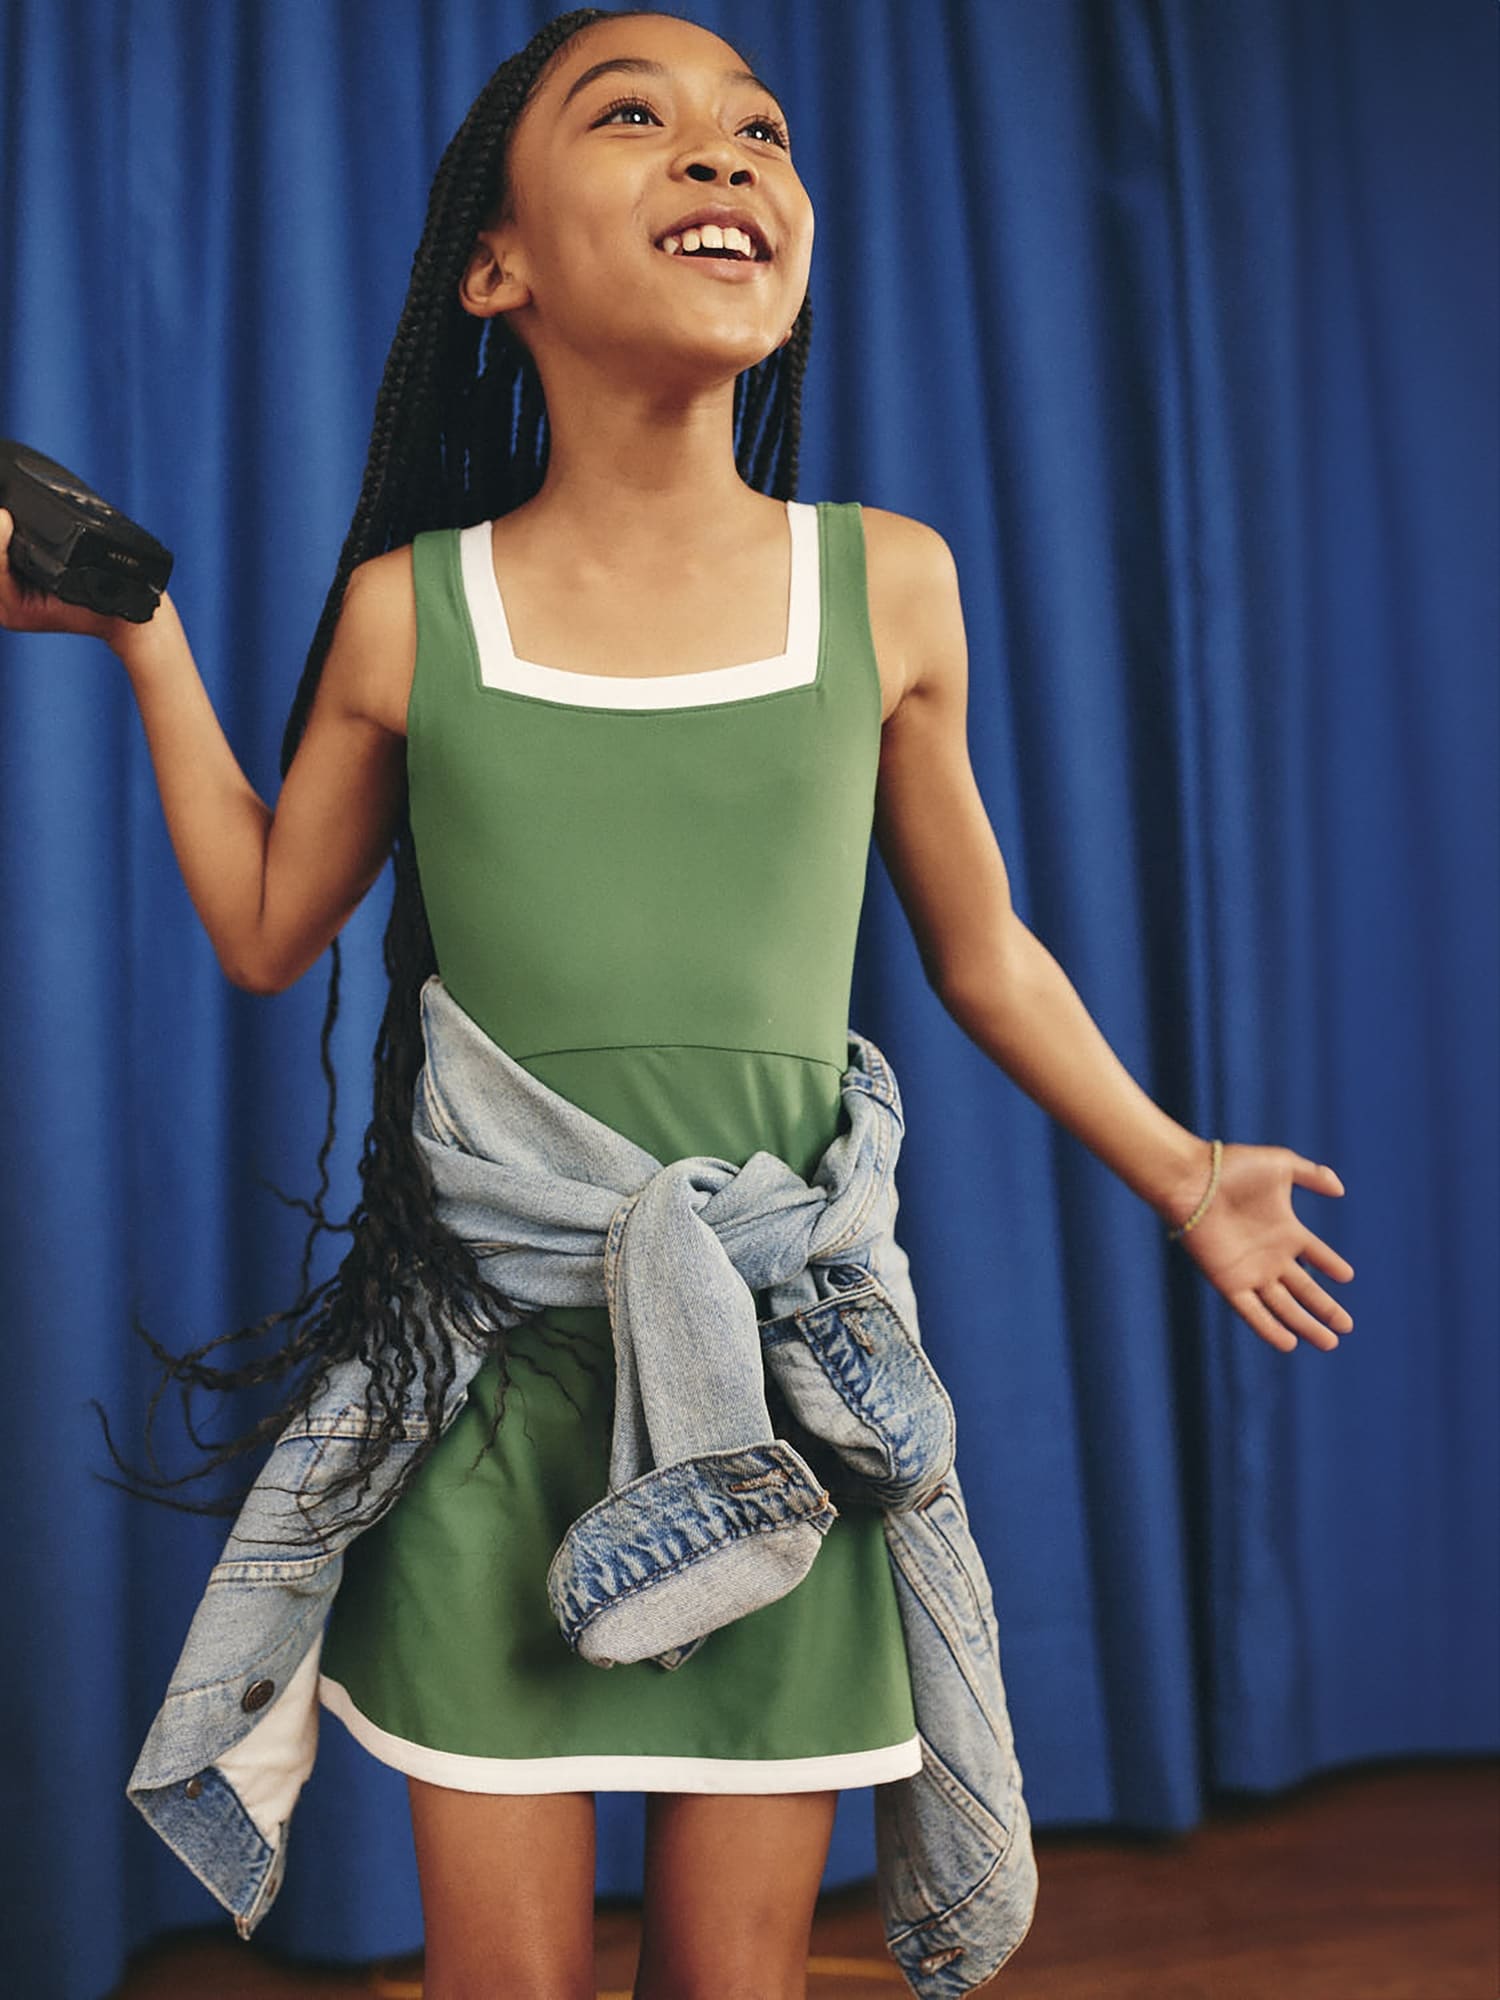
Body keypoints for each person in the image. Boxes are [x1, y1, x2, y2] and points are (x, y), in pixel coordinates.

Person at [0, 7, 1356, 1997]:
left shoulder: (889, 583)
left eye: (760, 130)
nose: (722, 154)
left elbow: (984, 950)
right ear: (496, 267)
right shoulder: (411, 610)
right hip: (495, 1386)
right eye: (633, 117)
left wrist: (1185, 1170)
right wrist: (142, 636)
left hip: (788, 1395)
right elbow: (272, 929)